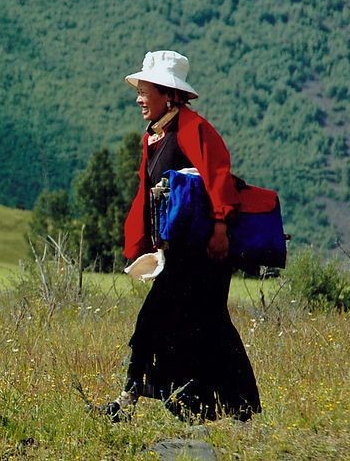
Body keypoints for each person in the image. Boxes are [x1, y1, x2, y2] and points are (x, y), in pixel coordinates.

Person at [102, 50, 261, 422]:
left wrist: (221, 226)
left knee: (163, 322)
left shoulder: (193, 128)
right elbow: (147, 193)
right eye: (140, 91)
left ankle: (127, 404)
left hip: (206, 253)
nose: (139, 98)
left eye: (145, 91)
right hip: (180, 253)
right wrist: (143, 245)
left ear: (168, 95)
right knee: (201, 327)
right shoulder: (154, 137)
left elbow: (218, 176)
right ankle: (229, 410)